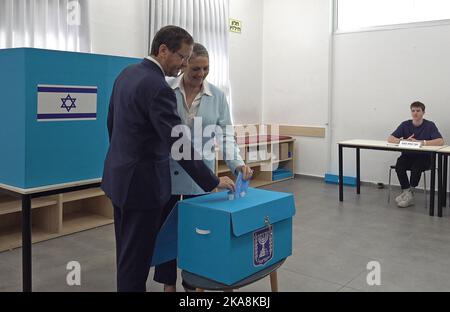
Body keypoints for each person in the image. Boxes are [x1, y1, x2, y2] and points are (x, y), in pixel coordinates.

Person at [101, 26, 235, 292]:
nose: (184, 65)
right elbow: (179, 143)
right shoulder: (158, 87)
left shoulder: (126, 74)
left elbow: (112, 125)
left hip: (119, 180)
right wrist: (212, 180)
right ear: (163, 50)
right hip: (142, 188)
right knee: (136, 261)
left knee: (127, 255)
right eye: (182, 58)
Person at [153, 43, 252, 292]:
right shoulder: (165, 89)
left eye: (206, 68)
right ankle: (168, 284)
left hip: (201, 177)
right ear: (185, 64)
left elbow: (226, 135)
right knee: (167, 232)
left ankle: (193, 284)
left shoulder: (217, 96)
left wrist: (237, 163)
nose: (201, 74)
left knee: (199, 233)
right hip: (168, 174)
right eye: (196, 68)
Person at [387, 101, 444, 208]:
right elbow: (390, 138)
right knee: (399, 165)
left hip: (424, 157)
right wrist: (403, 141)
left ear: (423, 112)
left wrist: (422, 142)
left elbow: (440, 141)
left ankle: (409, 193)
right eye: (413, 111)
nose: (415, 113)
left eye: (418, 111)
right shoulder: (405, 124)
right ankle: (407, 193)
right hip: (408, 155)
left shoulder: (429, 125)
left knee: (416, 167)